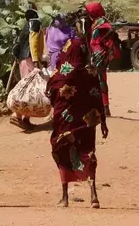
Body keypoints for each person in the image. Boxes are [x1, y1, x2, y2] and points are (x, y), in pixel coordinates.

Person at [46, 35, 109, 208]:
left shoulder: (60, 74)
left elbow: (50, 94)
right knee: (87, 152)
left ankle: (65, 197)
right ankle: (93, 195)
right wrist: (103, 122)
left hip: (64, 124)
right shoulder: (91, 72)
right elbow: (98, 98)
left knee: (62, 150)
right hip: (86, 124)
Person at [10, 5, 44, 130]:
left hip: (23, 59)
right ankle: (17, 115)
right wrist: (36, 60)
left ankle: (25, 118)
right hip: (29, 58)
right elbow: (33, 41)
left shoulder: (26, 25)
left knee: (28, 88)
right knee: (28, 89)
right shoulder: (35, 23)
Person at [86, 2, 121, 117]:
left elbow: (111, 30)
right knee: (98, 78)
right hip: (97, 52)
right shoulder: (96, 21)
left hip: (100, 53)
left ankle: (105, 107)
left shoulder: (101, 21)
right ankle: (101, 105)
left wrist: (102, 40)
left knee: (100, 78)